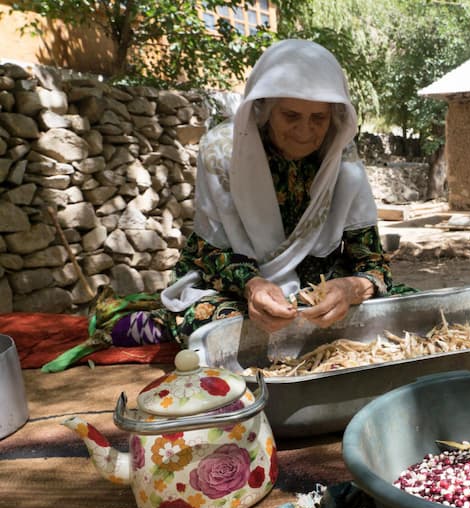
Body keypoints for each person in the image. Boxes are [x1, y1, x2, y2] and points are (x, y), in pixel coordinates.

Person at [42, 39, 411, 372]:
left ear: (336, 116)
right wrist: (252, 286)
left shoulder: (342, 159)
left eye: (319, 118)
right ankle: (157, 323)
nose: (305, 131)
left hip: (317, 285)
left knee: (404, 303)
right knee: (215, 320)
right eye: (291, 116)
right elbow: (207, 250)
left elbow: (371, 261)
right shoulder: (223, 152)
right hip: (236, 285)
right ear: (264, 110)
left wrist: (352, 288)